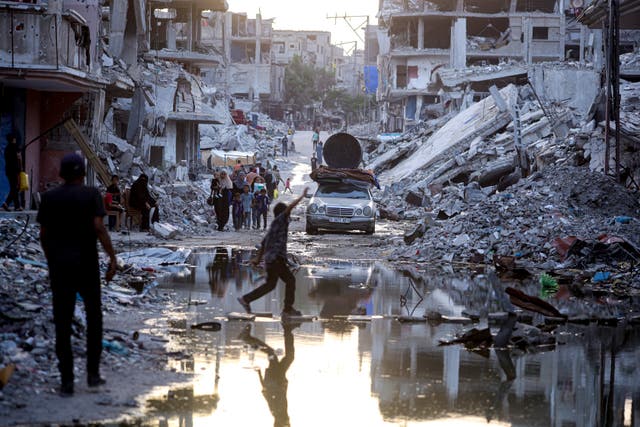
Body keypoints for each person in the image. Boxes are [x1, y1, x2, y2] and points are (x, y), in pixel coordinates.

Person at [37, 153, 117, 397]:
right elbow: (98, 227)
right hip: (87, 266)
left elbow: (43, 233)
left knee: (62, 321)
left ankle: (67, 382)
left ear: (61, 174)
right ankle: (92, 374)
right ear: (83, 174)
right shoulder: (91, 194)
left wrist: (52, 258)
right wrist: (112, 258)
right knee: (94, 319)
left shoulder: (49, 198)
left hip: (60, 267)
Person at [237, 187, 309, 317]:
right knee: (290, 280)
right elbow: (288, 209)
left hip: (271, 260)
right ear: (283, 214)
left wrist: (258, 259)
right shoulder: (280, 221)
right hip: (276, 259)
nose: (289, 216)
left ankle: (246, 299)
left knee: (271, 285)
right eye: (287, 214)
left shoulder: (274, 226)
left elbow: (263, 243)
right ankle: (287, 310)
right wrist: (302, 196)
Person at [238, 322, 297, 427]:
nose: (289, 424)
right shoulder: (279, 413)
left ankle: (247, 338)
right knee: (286, 356)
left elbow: (266, 393)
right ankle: (288, 330)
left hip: (275, 378)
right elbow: (266, 393)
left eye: (287, 425)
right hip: (279, 378)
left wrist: (260, 375)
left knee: (274, 354)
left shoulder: (277, 412)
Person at [2, 134, 22, 211]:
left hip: (9, 171)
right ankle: (13, 205)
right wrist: (21, 169)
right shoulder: (15, 147)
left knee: (14, 188)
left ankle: (10, 204)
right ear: (13, 139)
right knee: (15, 188)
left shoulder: (7, 148)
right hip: (14, 171)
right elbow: (19, 158)